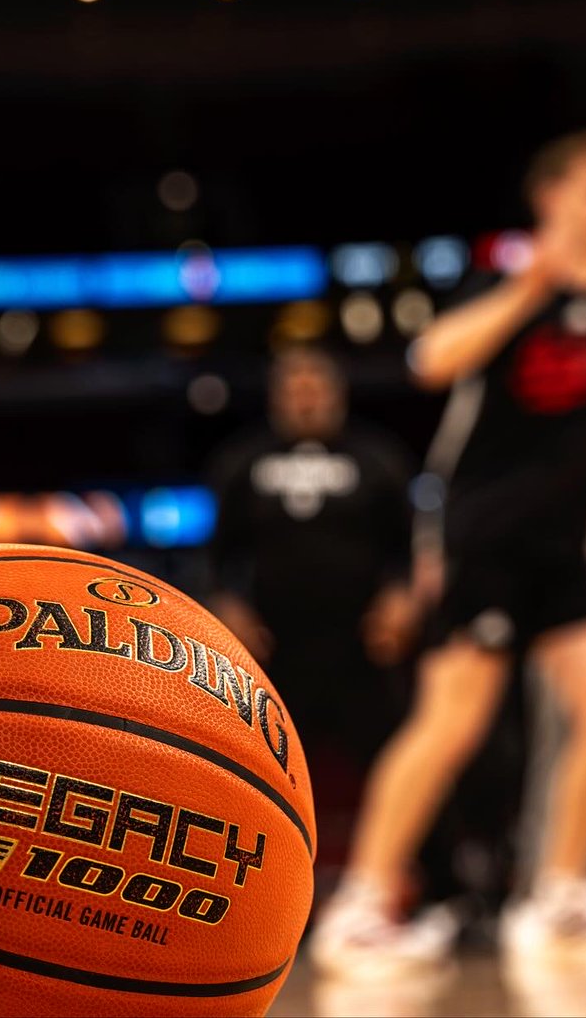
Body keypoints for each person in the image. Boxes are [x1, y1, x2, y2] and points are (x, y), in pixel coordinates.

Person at [312, 129, 586, 972]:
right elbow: (432, 359)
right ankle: (360, 905)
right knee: (453, 718)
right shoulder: (503, 285)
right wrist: (534, 284)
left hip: (571, 550)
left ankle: (558, 895)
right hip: (486, 540)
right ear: (549, 197)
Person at [206, 345, 421, 863]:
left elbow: (412, 548)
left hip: (364, 649)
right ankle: (260, 890)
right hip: (276, 656)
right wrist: (229, 610)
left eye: (315, 388)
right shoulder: (242, 462)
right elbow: (215, 556)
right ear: (278, 398)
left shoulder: (379, 458)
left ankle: (439, 888)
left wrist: (404, 599)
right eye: (295, 390)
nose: (306, 400)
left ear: (336, 393)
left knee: (404, 761)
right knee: (261, 779)